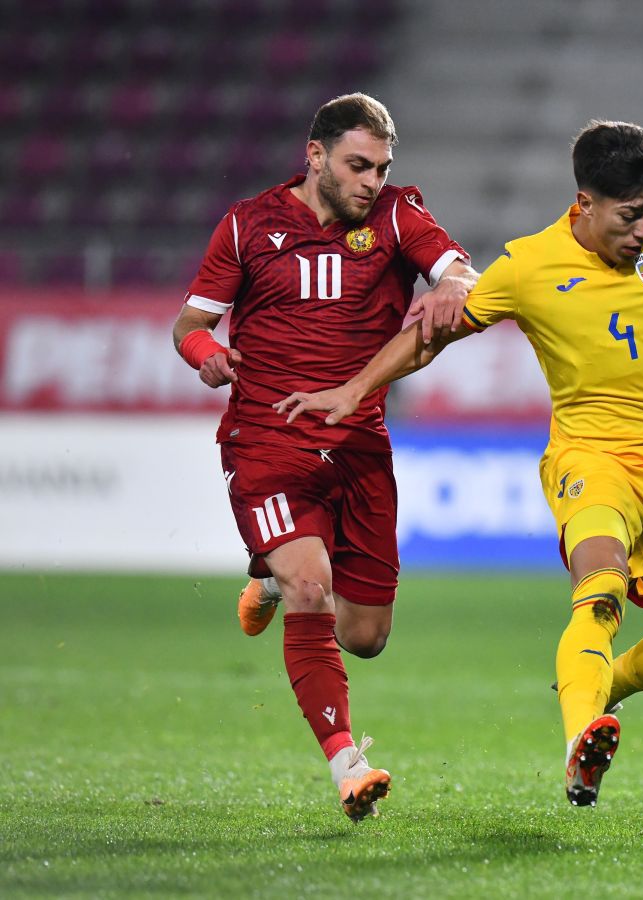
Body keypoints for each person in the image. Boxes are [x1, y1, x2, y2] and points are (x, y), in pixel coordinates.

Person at [273, 120, 643, 807]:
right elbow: (431, 336)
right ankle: (581, 739)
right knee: (601, 584)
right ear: (585, 201)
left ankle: (599, 683)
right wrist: (352, 390)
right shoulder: (528, 266)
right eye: (629, 216)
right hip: (590, 457)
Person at [170, 93, 478, 821]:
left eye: (382, 167)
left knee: (365, 636)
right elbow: (190, 322)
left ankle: (269, 574)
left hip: (359, 444)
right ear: (315, 157)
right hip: (267, 439)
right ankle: (348, 763)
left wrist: (455, 289)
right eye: (358, 165)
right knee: (313, 584)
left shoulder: (398, 214)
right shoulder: (248, 225)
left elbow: (457, 267)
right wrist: (207, 352)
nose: (372, 180)